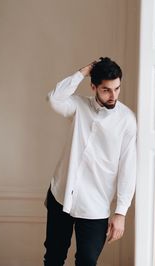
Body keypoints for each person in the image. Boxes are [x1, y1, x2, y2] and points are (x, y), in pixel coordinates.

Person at [43, 57, 137, 266]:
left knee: (87, 261)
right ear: (93, 87)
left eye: (117, 88)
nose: (113, 96)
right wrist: (82, 72)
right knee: (53, 257)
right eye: (106, 90)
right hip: (62, 194)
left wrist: (121, 213)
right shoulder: (78, 106)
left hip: (95, 204)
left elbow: (128, 168)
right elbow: (54, 98)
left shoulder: (127, 121)